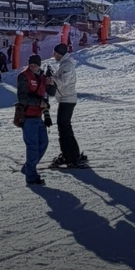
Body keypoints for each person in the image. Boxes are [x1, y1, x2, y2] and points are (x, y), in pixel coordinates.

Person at [48, 43, 86, 168]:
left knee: (64, 127)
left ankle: (70, 156)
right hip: (65, 99)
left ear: (60, 53)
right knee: (64, 127)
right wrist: (52, 76)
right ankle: (71, 154)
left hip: (67, 99)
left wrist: (51, 79)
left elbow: (64, 81)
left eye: (55, 53)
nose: (54, 55)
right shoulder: (65, 64)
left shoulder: (67, 64)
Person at [16, 54, 50, 186]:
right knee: (32, 147)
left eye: (35, 65)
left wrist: (46, 109)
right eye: (31, 65)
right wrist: (39, 102)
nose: (33, 67)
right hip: (28, 117)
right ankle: (31, 176)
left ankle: (28, 168)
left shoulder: (42, 76)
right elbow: (22, 98)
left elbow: (48, 93)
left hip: (38, 116)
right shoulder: (23, 76)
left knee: (44, 143)